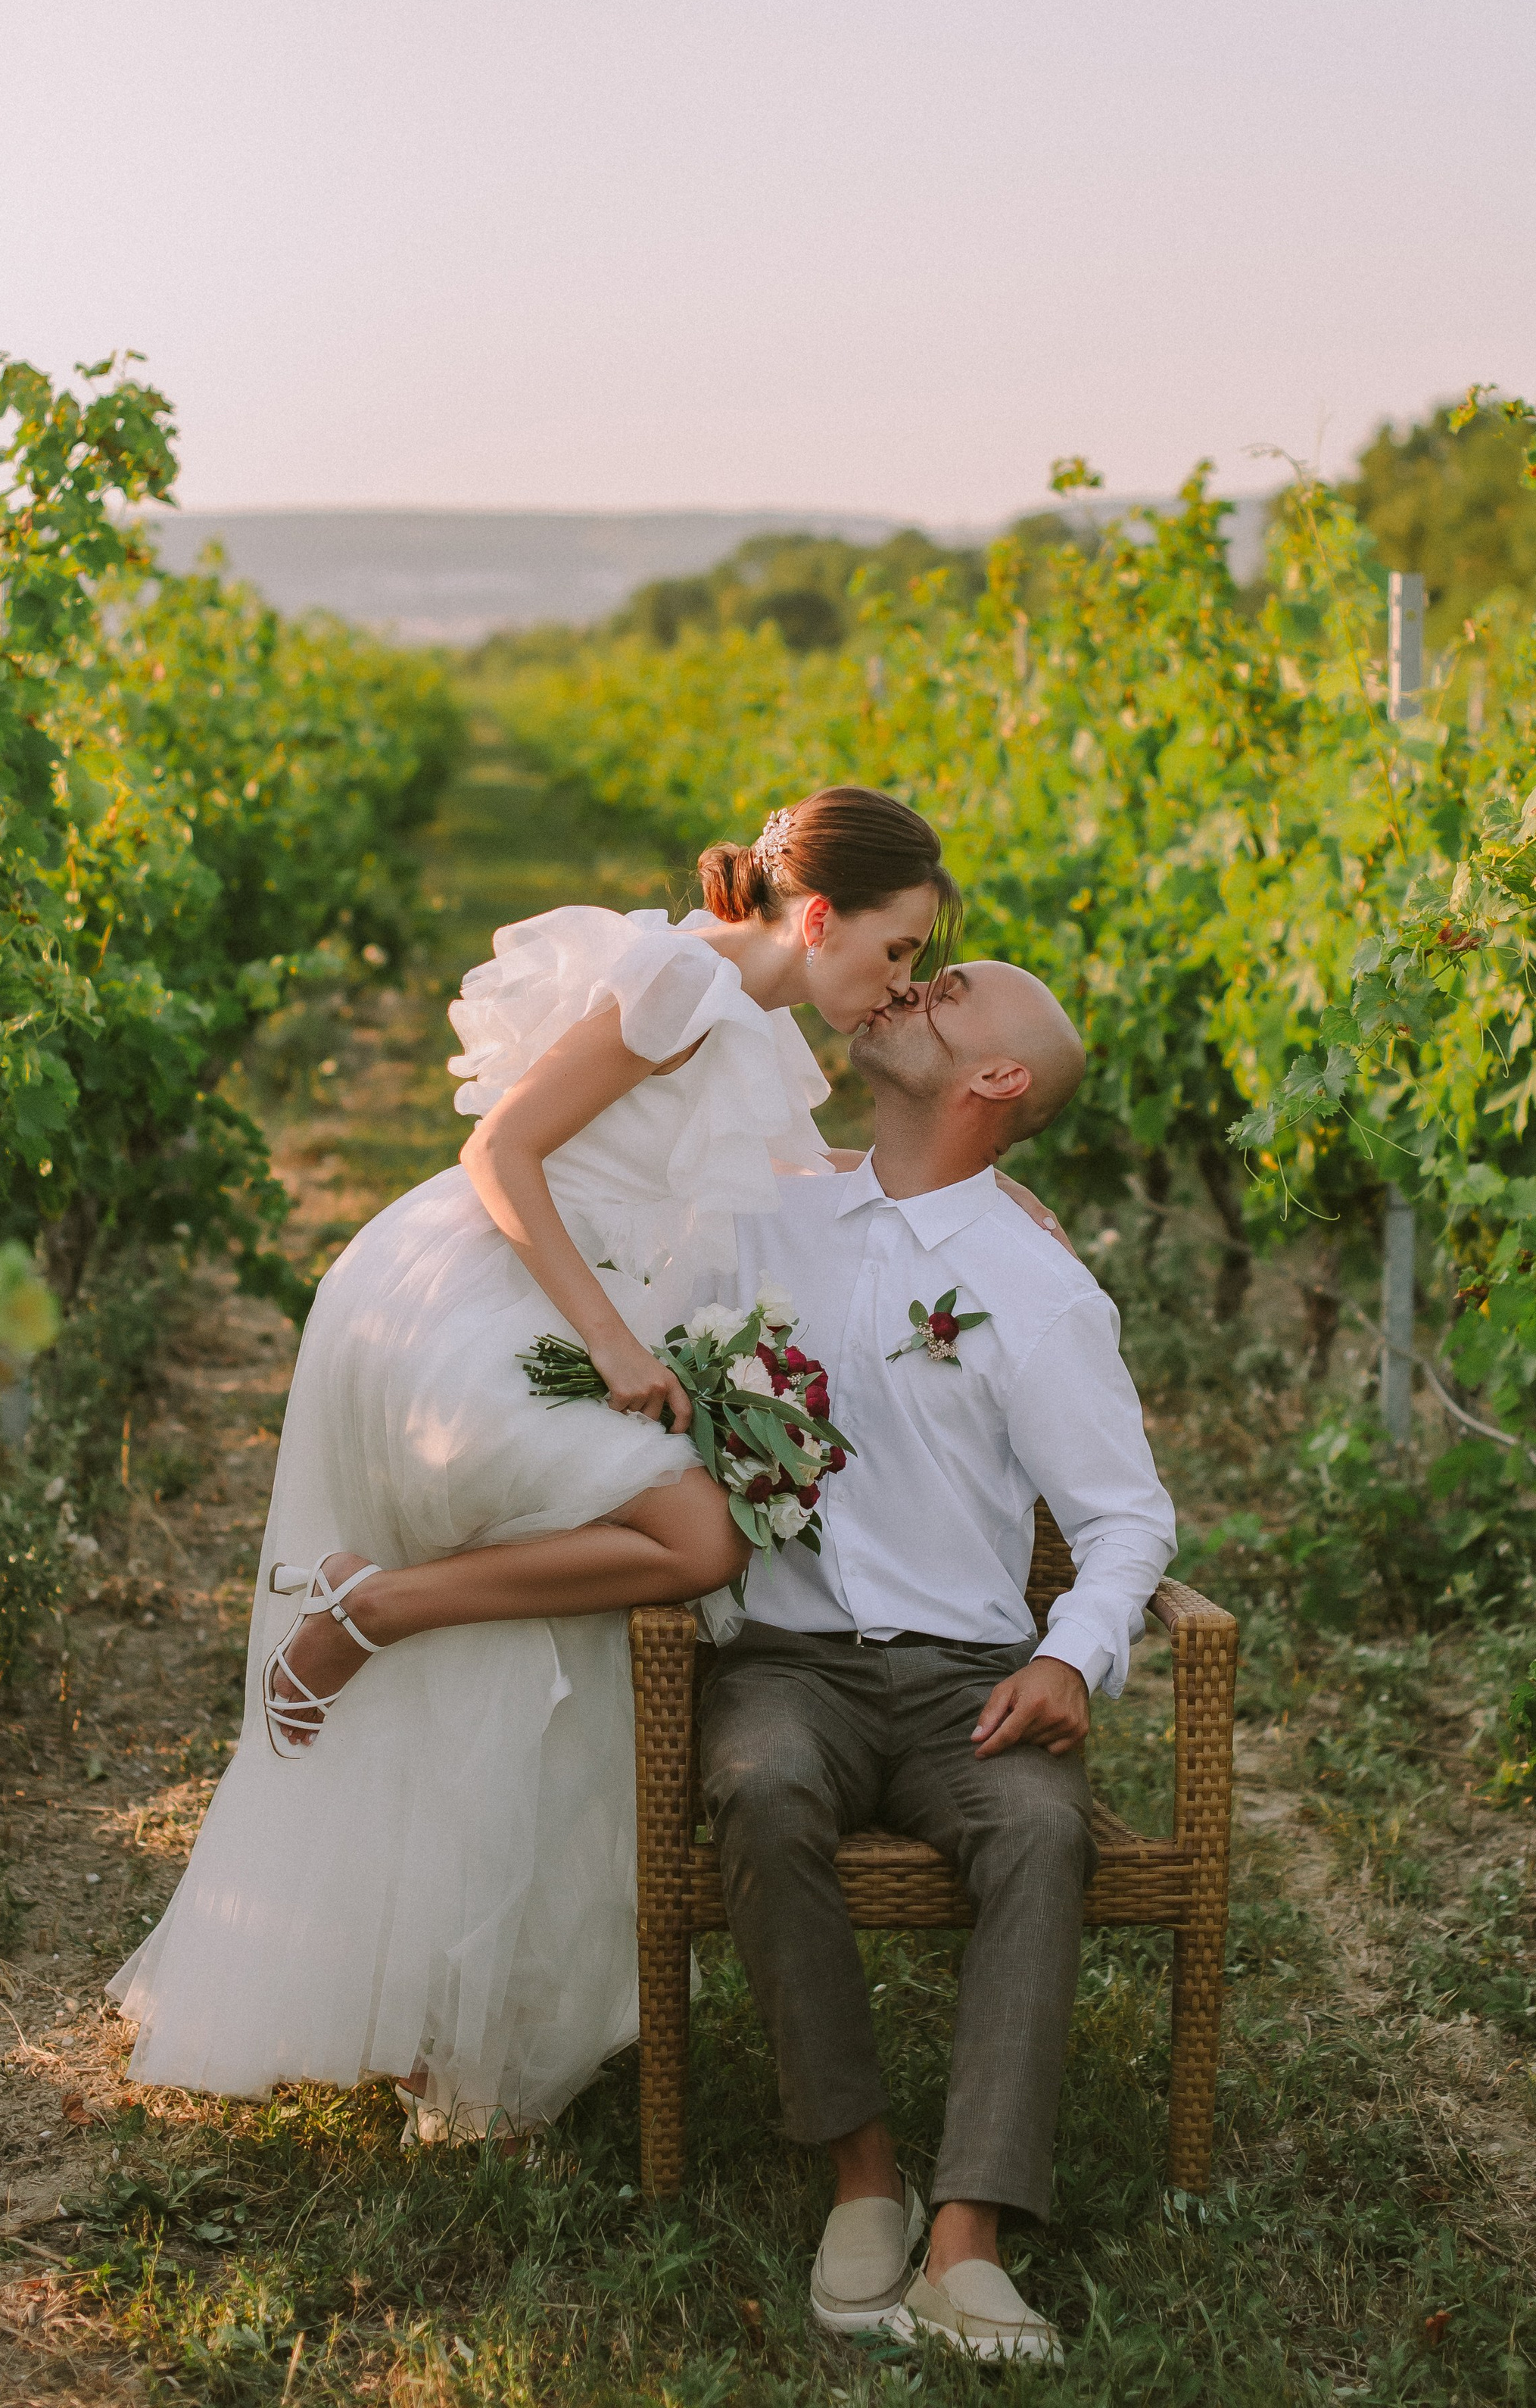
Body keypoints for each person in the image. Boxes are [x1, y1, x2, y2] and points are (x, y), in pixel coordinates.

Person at [109, 787, 971, 2138]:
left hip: (548, 1305)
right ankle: (370, 1605)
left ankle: (454, 2008)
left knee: (567, 1647)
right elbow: (499, 1147)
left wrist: (970, 1188)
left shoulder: (742, 1011)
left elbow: (793, 1180)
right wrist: (618, 1344)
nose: (899, 983)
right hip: (477, 1301)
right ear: (818, 917)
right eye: (898, 949)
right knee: (699, 1541)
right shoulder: (685, 980)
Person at [709, 959, 1177, 2364]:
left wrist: (1075, 1661)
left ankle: (967, 2240)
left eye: (953, 993)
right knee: (760, 1785)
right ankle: (864, 2174)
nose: (918, 986)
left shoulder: (1035, 1289)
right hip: (786, 1662)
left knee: (1043, 1832)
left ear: (997, 1082)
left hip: (968, 1679)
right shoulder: (764, 1215)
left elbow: (1125, 1518)